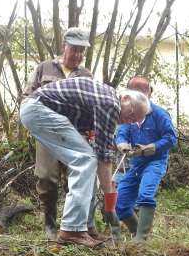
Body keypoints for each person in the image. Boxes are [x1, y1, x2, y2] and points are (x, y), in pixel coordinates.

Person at [20, 77, 150, 247]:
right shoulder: (111, 104)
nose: (128, 121)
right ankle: (72, 230)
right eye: (131, 114)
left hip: (38, 110)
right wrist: (110, 202)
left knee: (89, 161)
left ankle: (86, 227)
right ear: (125, 98)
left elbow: (102, 153)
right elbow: (105, 158)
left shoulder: (106, 100)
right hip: (39, 109)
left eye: (134, 121)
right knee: (85, 160)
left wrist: (108, 193)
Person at [23, 27, 94, 241]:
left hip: (76, 133)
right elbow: (27, 98)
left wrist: (91, 131)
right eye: (75, 50)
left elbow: (91, 106)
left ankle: (78, 226)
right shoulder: (44, 68)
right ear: (64, 46)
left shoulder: (86, 75)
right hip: (48, 132)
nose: (78, 55)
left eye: (82, 51)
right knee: (46, 178)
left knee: (81, 176)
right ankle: (50, 223)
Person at [114, 76, 177, 242]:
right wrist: (122, 144)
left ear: (149, 92)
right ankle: (136, 232)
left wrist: (152, 147)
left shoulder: (159, 114)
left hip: (155, 162)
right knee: (120, 203)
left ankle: (141, 238)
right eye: (135, 90)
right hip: (135, 165)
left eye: (144, 90)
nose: (140, 93)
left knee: (145, 194)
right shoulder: (127, 113)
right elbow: (121, 133)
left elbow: (171, 138)